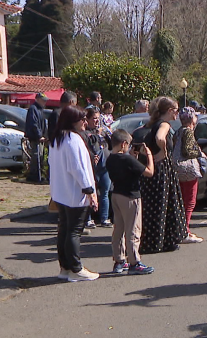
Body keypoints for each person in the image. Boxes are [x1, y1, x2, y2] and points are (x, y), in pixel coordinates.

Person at [48, 105, 99, 282]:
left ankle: (65, 267)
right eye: (82, 119)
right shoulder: (73, 140)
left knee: (64, 229)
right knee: (74, 231)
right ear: (72, 121)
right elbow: (79, 168)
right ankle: (76, 269)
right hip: (75, 192)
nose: (85, 122)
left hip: (60, 192)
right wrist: (89, 190)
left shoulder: (56, 139)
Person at [139, 97, 188, 253]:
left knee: (154, 206)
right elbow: (160, 138)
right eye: (176, 111)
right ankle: (163, 241)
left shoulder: (153, 124)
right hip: (161, 169)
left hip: (154, 168)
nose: (177, 114)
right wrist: (164, 151)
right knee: (164, 205)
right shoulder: (164, 124)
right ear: (170, 111)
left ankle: (155, 241)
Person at [106, 129, 155, 275]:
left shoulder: (110, 159)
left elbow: (128, 169)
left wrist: (134, 157)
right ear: (123, 144)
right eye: (128, 144)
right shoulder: (127, 160)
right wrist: (149, 155)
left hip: (116, 194)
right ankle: (134, 262)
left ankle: (119, 260)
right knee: (133, 229)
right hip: (131, 196)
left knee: (119, 229)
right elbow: (149, 172)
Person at [174, 107, 205, 243]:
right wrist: (199, 153)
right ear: (192, 119)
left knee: (181, 201)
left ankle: (180, 229)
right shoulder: (188, 132)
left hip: (177, 168)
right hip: (188, 169)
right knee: (190, 201)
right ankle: (185, 230)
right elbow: (187, 151)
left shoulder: (178, 131)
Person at [84, 108, 112, 227]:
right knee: (91, 193)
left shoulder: (103, 131)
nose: (97, 121)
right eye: (94, 118)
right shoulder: (86, 133)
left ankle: (104, 218)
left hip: (105, 166)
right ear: (87, 120)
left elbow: (110, 145)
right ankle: (88, 219)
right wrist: (97, 134)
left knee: (105, 192)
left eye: (98, 119)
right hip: (92, 167)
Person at [24, 93, 48, 183]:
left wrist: (45, 135)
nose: (45, 102)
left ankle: (38, 175)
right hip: (35, 138)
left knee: (40, 156)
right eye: (43, 100)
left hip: (40, 137)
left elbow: (43, 124)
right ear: (37, 99)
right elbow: (34, 123)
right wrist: (39, 136)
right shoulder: (33, 109)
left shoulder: (40, 109)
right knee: (36, 156)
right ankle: (34, 176)